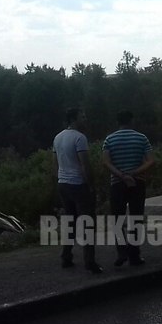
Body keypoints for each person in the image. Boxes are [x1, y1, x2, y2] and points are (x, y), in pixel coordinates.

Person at [102, 110, 155, 267]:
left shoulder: (109, 139)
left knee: (117, 219)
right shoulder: (141, 137)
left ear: (118, 122)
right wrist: (133, 173)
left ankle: (121, 252)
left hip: (117, 183)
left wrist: (121, 175)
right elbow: (151, 161)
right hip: (137, 182)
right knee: (136, 218)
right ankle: (134, 255)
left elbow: (105, 162)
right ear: (131, 120)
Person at [52, 107, 102, 274]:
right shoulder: (80, 138)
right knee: (87, 222)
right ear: (74, 119)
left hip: (63, 183)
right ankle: (90, 261)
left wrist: (59, 179)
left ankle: (66, 256)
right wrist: (91, 184)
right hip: (78, 184)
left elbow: (55, 164)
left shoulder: (58, 137)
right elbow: (85, 165)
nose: (85, 118)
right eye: (82, 116)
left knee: (70, 221)